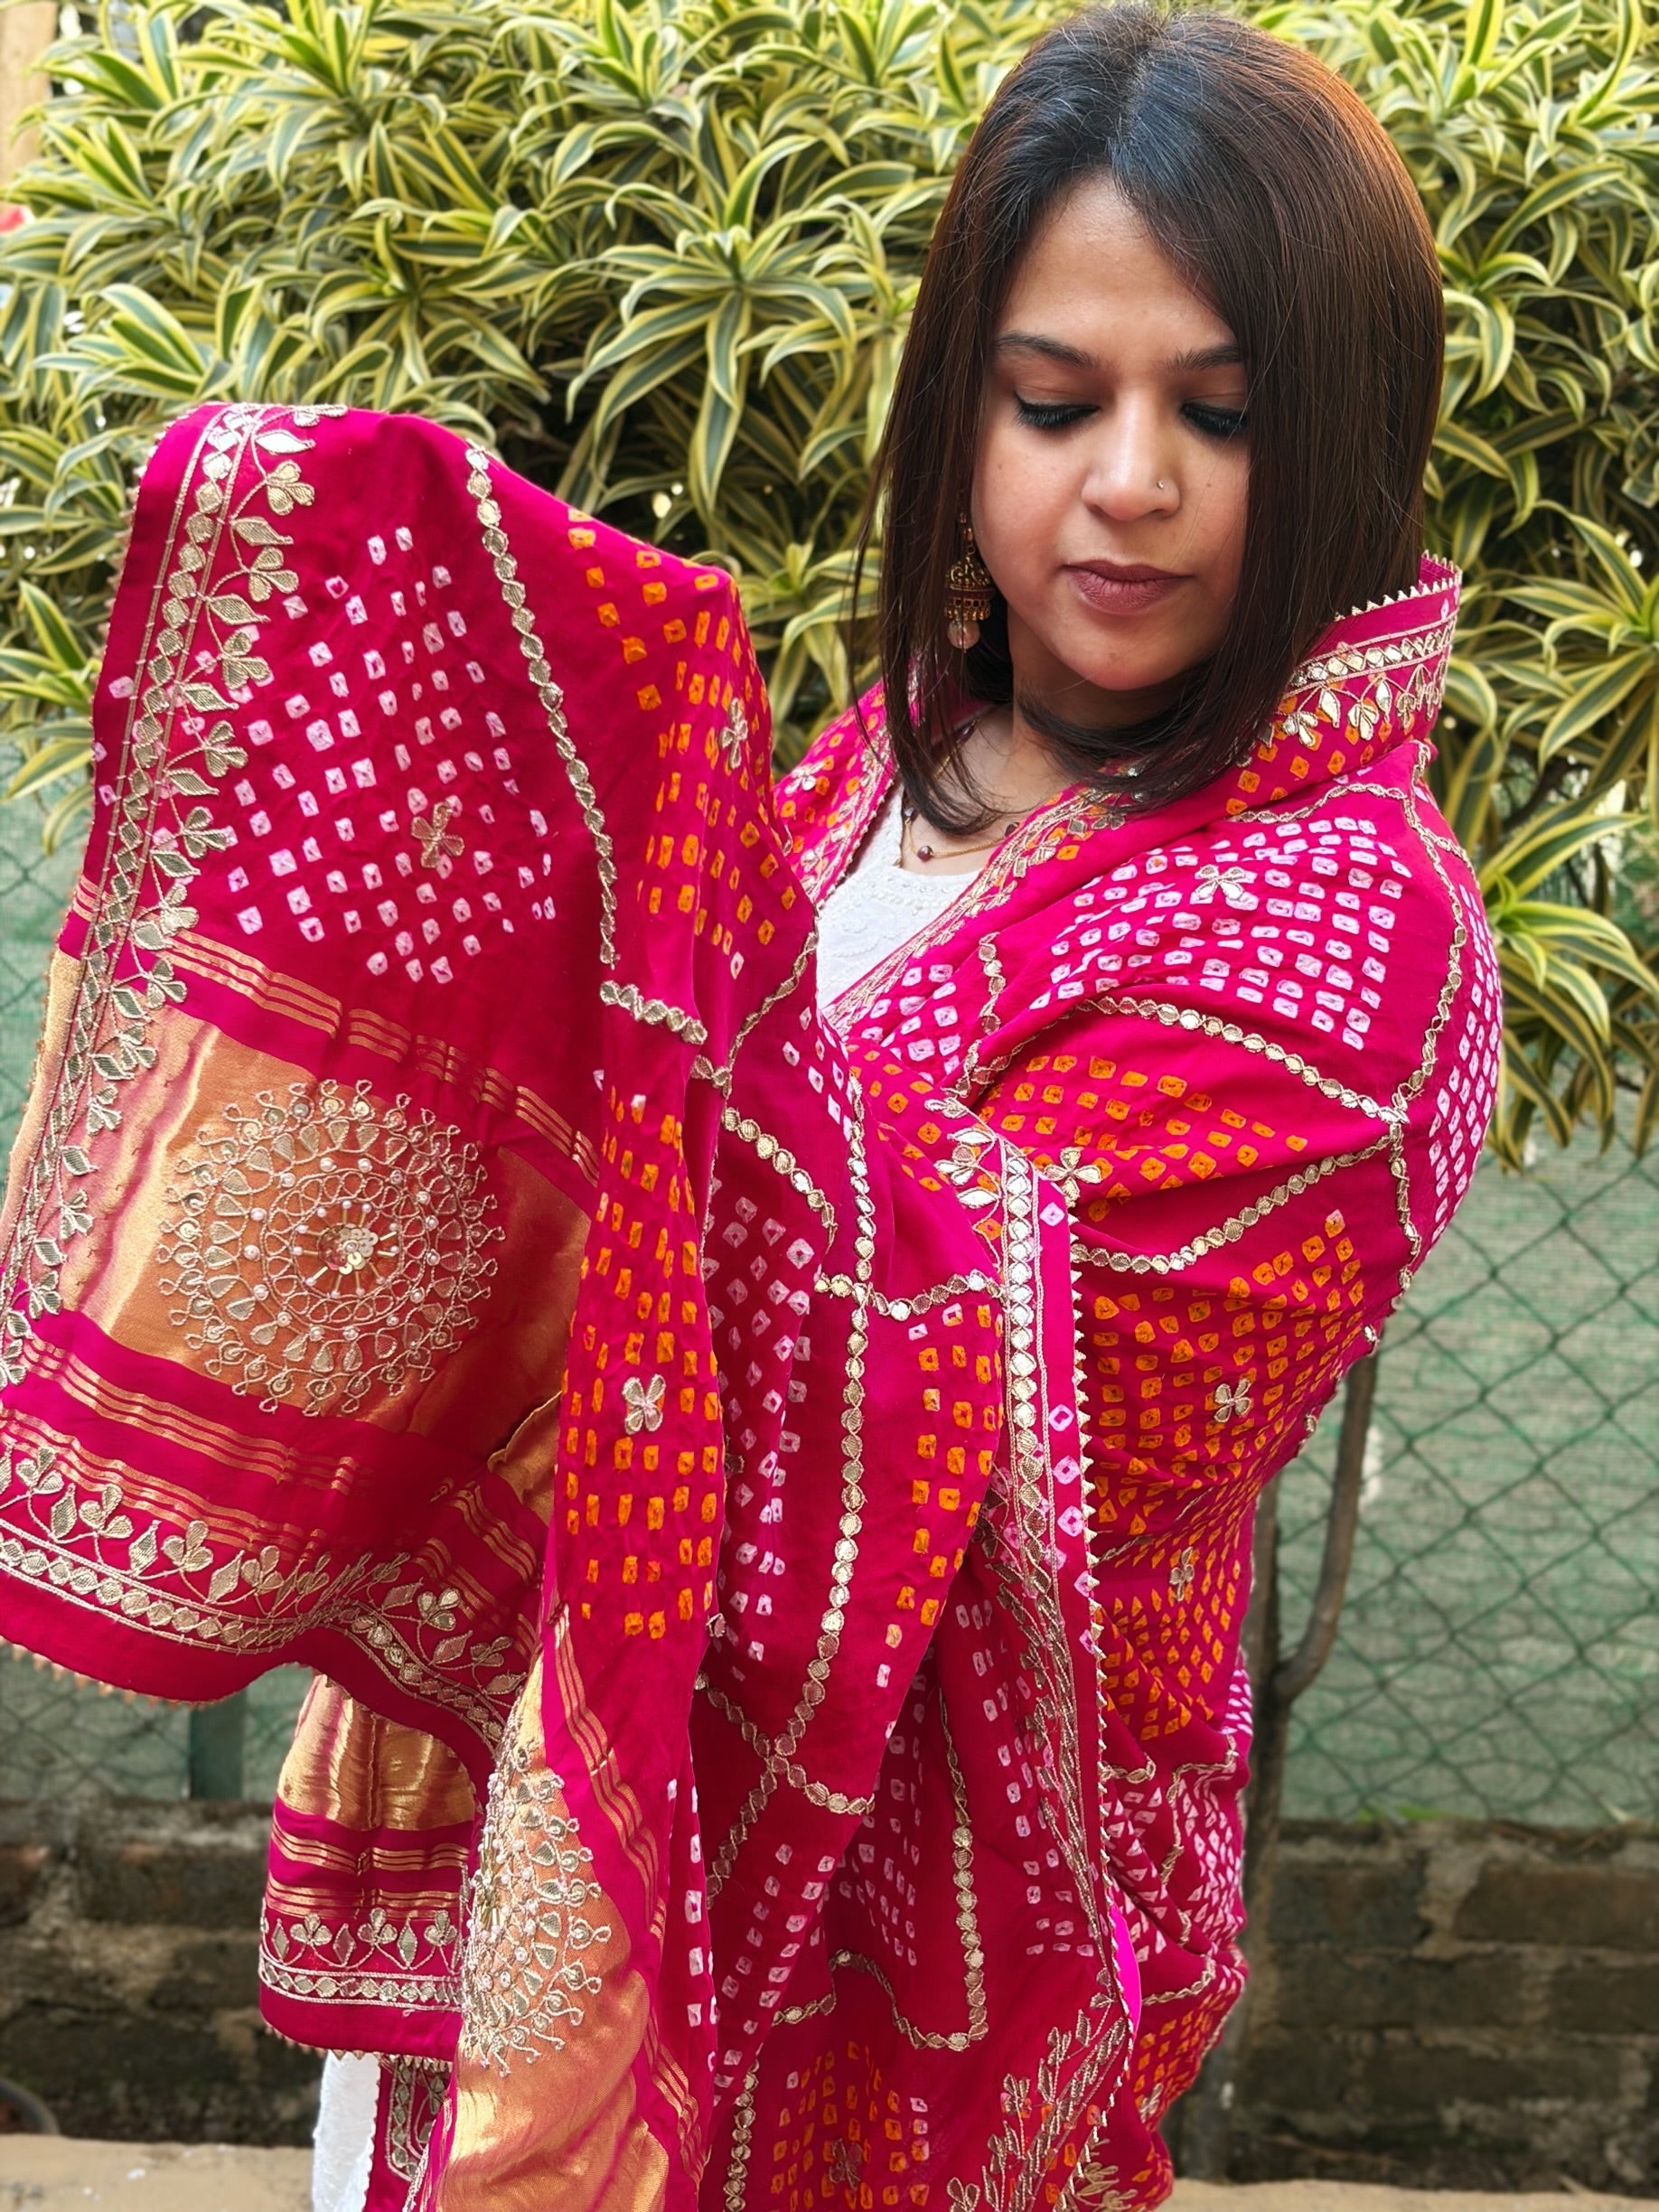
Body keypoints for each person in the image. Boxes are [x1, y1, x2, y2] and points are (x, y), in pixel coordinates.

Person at [0, 8, 1497, 2211]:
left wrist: (589, 866)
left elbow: (975, 1423)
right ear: (956, 409)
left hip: (875, 2007)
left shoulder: (1351, 934)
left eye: (1226, 414)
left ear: (1347, 439)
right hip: (553, 1849)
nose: (1133, 482)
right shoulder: (883, 771)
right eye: (1055, 400)